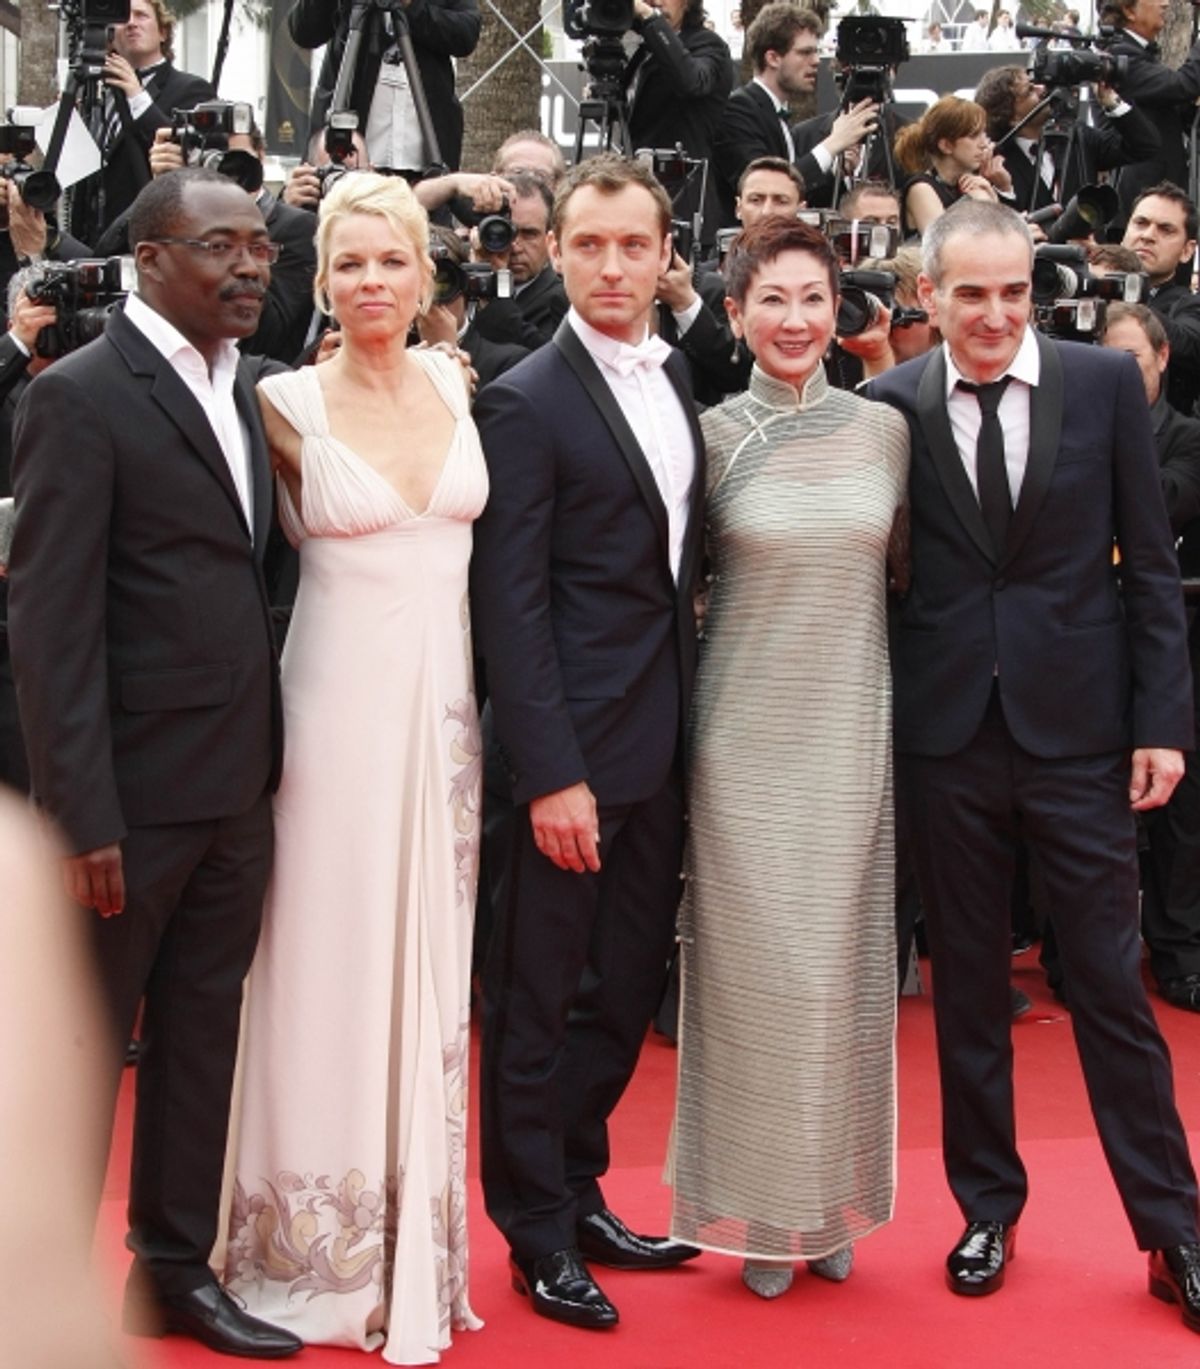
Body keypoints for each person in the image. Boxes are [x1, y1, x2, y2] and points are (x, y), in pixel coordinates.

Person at [867, 199, 1200, 1328]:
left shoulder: (1105, 388)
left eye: (1015, 292)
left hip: (1081, 735)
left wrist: (1164, 722)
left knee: (1108, 982)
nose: (996, 313)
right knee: (965, 984)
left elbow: (1150, 571)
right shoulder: (887, 406)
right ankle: (986, 1209)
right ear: (931, 295)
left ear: (1037, 292)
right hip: (944, 736)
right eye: (971, 293)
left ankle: (1172, 1229)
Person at [8, 167, 299, 1360]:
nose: (248, 267)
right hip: (126, 803)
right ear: (150, 259)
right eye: (220, 247)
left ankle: (172, 1271)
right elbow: (49, 623)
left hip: (237, 787)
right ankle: (36, 1286)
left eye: (263, 249)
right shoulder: (80, 396)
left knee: (200, 1037)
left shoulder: (249, 390)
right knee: (79, 1061)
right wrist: (83, 817)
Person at [222, 172, 487, 1363]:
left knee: (432, 972)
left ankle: (411, 1252)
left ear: (425, 274)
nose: (370, 283)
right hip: (328, 725)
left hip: (445, 727)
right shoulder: (277, 403)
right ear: (318, 280)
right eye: (348, 265)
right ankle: (308, 1256)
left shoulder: (454, 380)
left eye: (390, 261)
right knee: (322, 969)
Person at [470, 153, 705, 1332]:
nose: (612, 268)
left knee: (619, 997)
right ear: (554, 253)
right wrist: (550, 771)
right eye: (588, 246)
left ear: (668, 257)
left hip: (660, 749)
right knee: (538, 999)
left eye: (633, 246)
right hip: (569, 763)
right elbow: (508, 606)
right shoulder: (523, 399)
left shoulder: (675, 382)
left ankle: (580, 1182)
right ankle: (533, 1229)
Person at [669, 215, 907, 1298]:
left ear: (838, 308)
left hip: (851, 724)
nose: (795, 319)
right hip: (743, 737)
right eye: (773, 299)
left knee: (841, 972)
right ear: (734, 314)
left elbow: (912, 577)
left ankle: (825, 1196)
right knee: (757, 976)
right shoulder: (707, 437)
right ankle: (763, 1206)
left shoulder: (887, 430)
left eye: (814, 298)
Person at [1101, 302, 1200, 1013]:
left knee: (1181, 814)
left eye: (1133, 359)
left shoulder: (1188, 438)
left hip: (1175, 642)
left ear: (1163, 359)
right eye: (1110, 359)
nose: (1121, 373)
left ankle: (1179, 952)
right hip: (1094, 641)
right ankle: (1088, 961)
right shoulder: (1081, 428)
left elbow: (1165, 501)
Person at [288, 0, 481, 175]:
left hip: (426, 159)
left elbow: (466, 34)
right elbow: (303, 31)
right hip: (349, 158)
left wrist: (411, 6)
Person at [95, 0, 215, 239]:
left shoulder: (191, 88)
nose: (131, 23)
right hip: (97, 232)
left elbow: (187, 153)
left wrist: (137, 96)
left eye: (141, 16)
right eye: (123, 17)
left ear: (163, 32)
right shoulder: (100, 94)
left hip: (152, 229)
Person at [974, 64, 1157, 218]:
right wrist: (1003, 189)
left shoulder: (1076, 136)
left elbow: (1144, 146)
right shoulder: (995, 163)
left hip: (1088, 255)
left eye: (1036, 84)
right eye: (1030, 90)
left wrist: (1111, 101)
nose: (1042, 90)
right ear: (1011, 116)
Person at [625, 0, 734, 247]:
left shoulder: (709, 45)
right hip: (642, 201)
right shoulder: (643, 52)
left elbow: (691, 81)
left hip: (684, 207)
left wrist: (650, 18)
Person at [1102, 0, 1200, 217]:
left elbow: (1172, 108)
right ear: (1129, 11)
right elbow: (1182, 85)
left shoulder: (1141, 54)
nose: (1165, 3)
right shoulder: (1120, 57)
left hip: (1159, 191)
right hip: (1144, 199)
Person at [1122, 183, 1200, 414]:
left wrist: (1120, 295)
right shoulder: (1084, 283)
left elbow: (1189, 344)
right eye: (1141, 223)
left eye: (1166, 230)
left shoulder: (1188, 306)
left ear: (1187, 250)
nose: (1148, 236)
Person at [895, 97, 1012, 238]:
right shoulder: (921, 189)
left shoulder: (974, 183)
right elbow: (941, 244)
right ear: (946, 146)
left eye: (984, 133)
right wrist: (980, 203)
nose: (983, 144)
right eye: (974, 136)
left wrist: (999, 191)